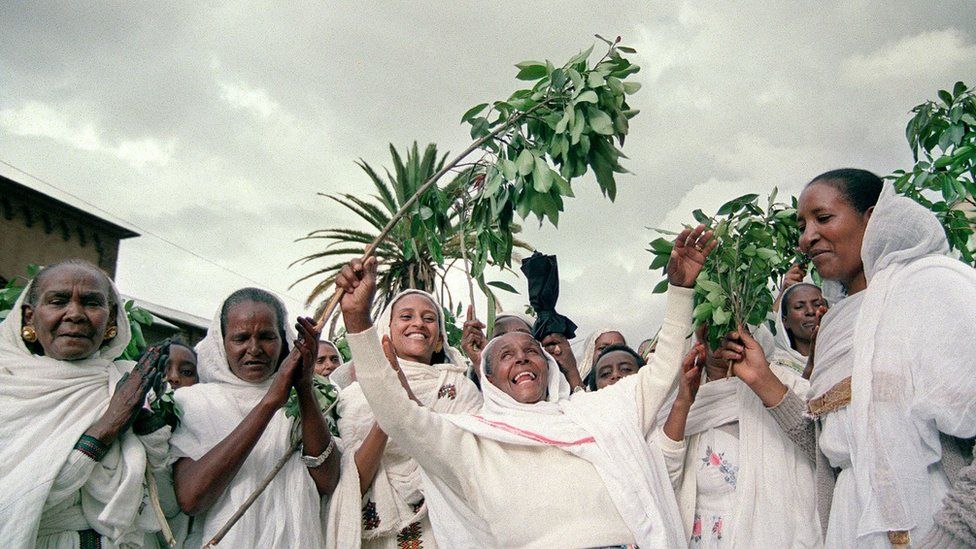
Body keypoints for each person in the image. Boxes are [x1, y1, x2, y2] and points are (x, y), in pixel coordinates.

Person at [336, 225, 716, 547]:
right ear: (487, 379)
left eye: (531, 350)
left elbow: (661, 371)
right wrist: (357, 320)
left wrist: (680, 292)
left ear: (549, 366)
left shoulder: (596, 413)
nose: (520, 357)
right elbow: (397, 415)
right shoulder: (470, 441)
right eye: (504, 355)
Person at [720, 169, 976, 547]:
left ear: (872, 219)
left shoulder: (930, 286)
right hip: (849, 523)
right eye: (802, 226)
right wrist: (762, 380)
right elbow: (838, 448)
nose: (808, 238)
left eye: (823, 219)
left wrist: (951, 534)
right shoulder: (835, 324)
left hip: (931, 516)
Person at [0, 259, 174, 547]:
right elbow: (19, 502)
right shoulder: (8, 387)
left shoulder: (128, 382)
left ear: (112, 320)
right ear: (29, 317)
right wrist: (109, 423)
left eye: (91, 303)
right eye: (58, 301)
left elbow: (165, 501)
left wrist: (143, 419)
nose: (75, 314)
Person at [170, 288, 339, 547]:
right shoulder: (193, 403)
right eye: (240, 338)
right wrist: (270, 402)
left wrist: (303, 386)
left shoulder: (306, 400)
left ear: (284, 340)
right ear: (221, 342)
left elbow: (328, 481)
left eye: (267, 337)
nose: (254, 349)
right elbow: (191, 499)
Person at [325, 289, 482, 549]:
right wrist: (388, 401)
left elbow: (464, 461)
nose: (418, 323)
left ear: (441, 340)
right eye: (406, 316)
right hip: (381, 537)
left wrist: (402, 399)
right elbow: (355, 481)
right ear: (387, 330)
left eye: (428, 318)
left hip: (445, 529)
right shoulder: (356, 395)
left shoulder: (460, 389)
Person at [658, 324, 822, 547]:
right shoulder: (678, 396)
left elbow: (823, 451)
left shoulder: (787, 383)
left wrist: (762, 382)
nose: (720, 328)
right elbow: (659, 482)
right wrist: (683, 403)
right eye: (710, 317)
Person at [771, 281, 826, 376]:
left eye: (817, 304)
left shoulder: (846, 354)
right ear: (785, 321)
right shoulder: (775, 365)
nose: (810, 311)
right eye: (799, 307)